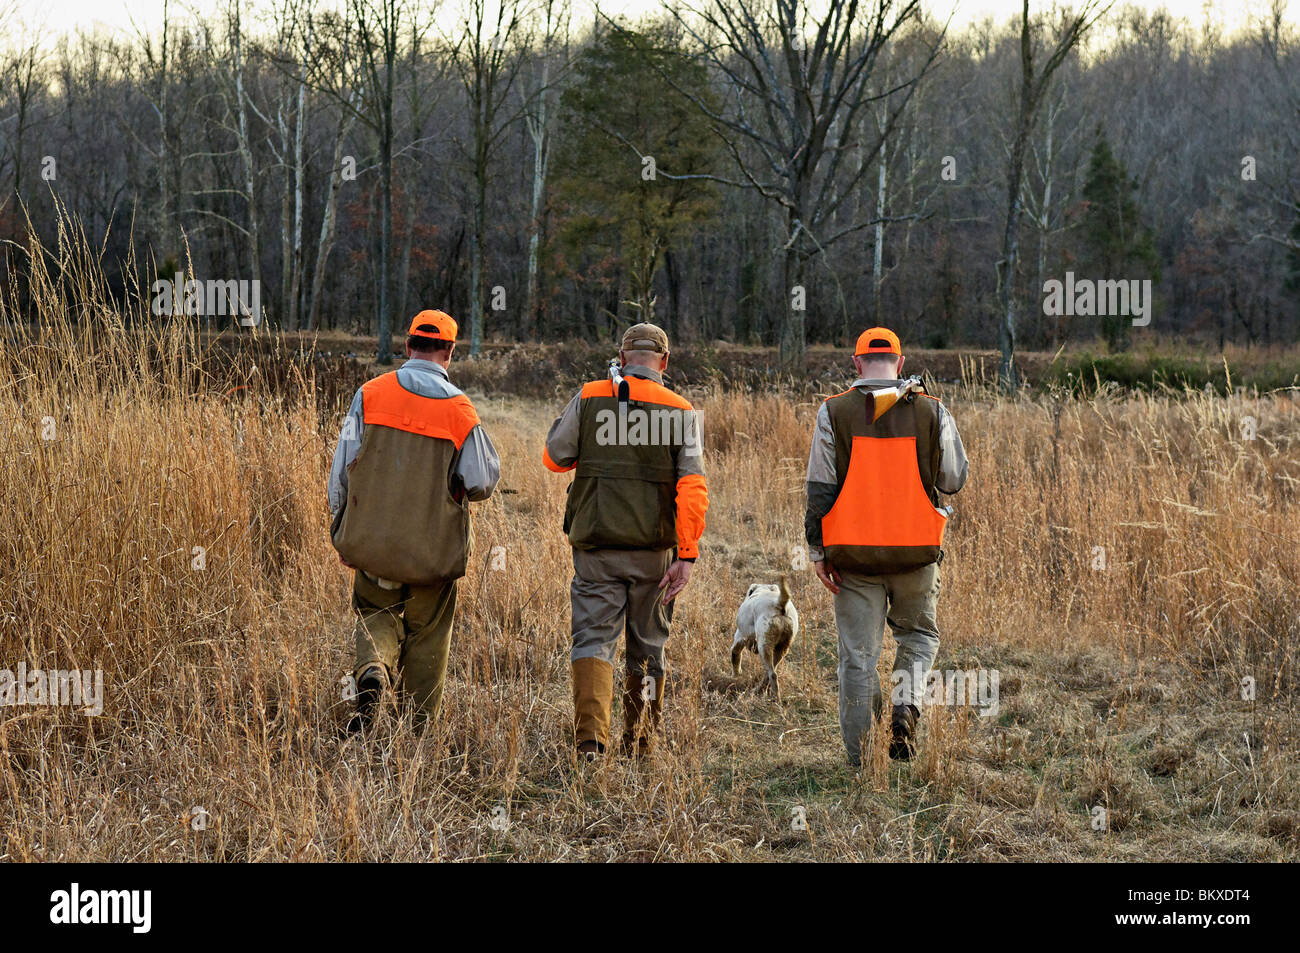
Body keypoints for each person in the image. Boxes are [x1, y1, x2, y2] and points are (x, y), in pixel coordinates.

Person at [543, 323, 708, 760]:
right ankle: (639, 743)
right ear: (664, 363)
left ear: (622, 354)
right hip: (654, 556)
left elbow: (554, 457)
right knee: (648, 648)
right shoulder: (682, 410)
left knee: (594, 641)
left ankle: (590, 743)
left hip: (596, 550)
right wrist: (686, 553)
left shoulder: (591, 394)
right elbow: (693, 486)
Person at [328, 310, 500, 730]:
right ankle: (419, 727)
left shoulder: (370, 394)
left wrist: (341, 528)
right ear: (450, 351)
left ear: (408, 347)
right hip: (432, 552)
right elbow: (481, 481)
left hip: (372, 543)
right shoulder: (460, 411)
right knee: (428, 631)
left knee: (375, 610)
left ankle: (372, 669)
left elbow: (342, 465)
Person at [804, 327, 968, 765]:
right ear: (900, 361)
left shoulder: (832, 412)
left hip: (853, 556)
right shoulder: (934, 411)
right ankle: (904, 708)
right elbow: (952, 480)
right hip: (915, 552)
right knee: (918, 635)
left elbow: (820, 488)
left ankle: (862, 763)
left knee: (858, 657)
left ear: (856, 363)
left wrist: (817, 550)